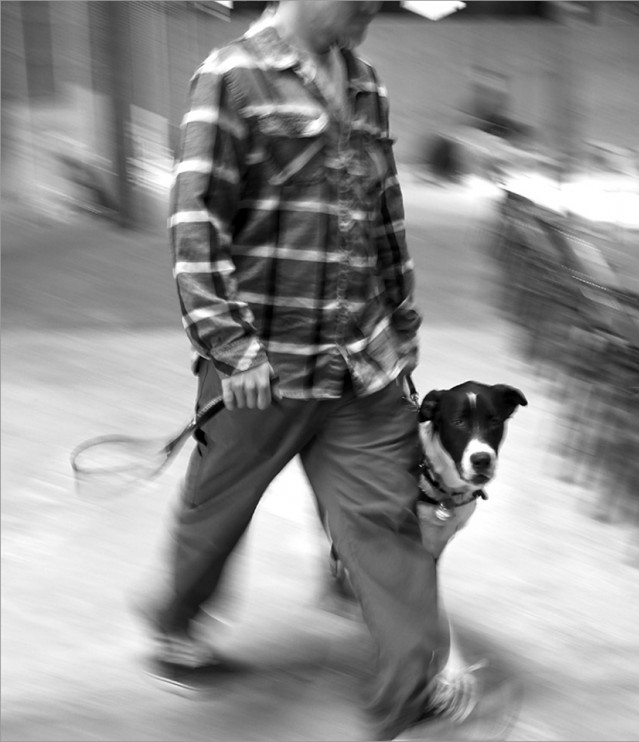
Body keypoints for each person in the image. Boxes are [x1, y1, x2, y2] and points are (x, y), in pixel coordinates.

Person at [141, 2, 462, 737]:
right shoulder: (230, 77)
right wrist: (232, 347)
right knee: (214, 513)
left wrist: (402, 324)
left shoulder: (366, 84)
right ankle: (174, 623)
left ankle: (408, 690)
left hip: (362, 363)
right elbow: (196, 223)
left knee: (385, 523)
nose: (375, 10)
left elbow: (385, 212)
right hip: (265, 369)